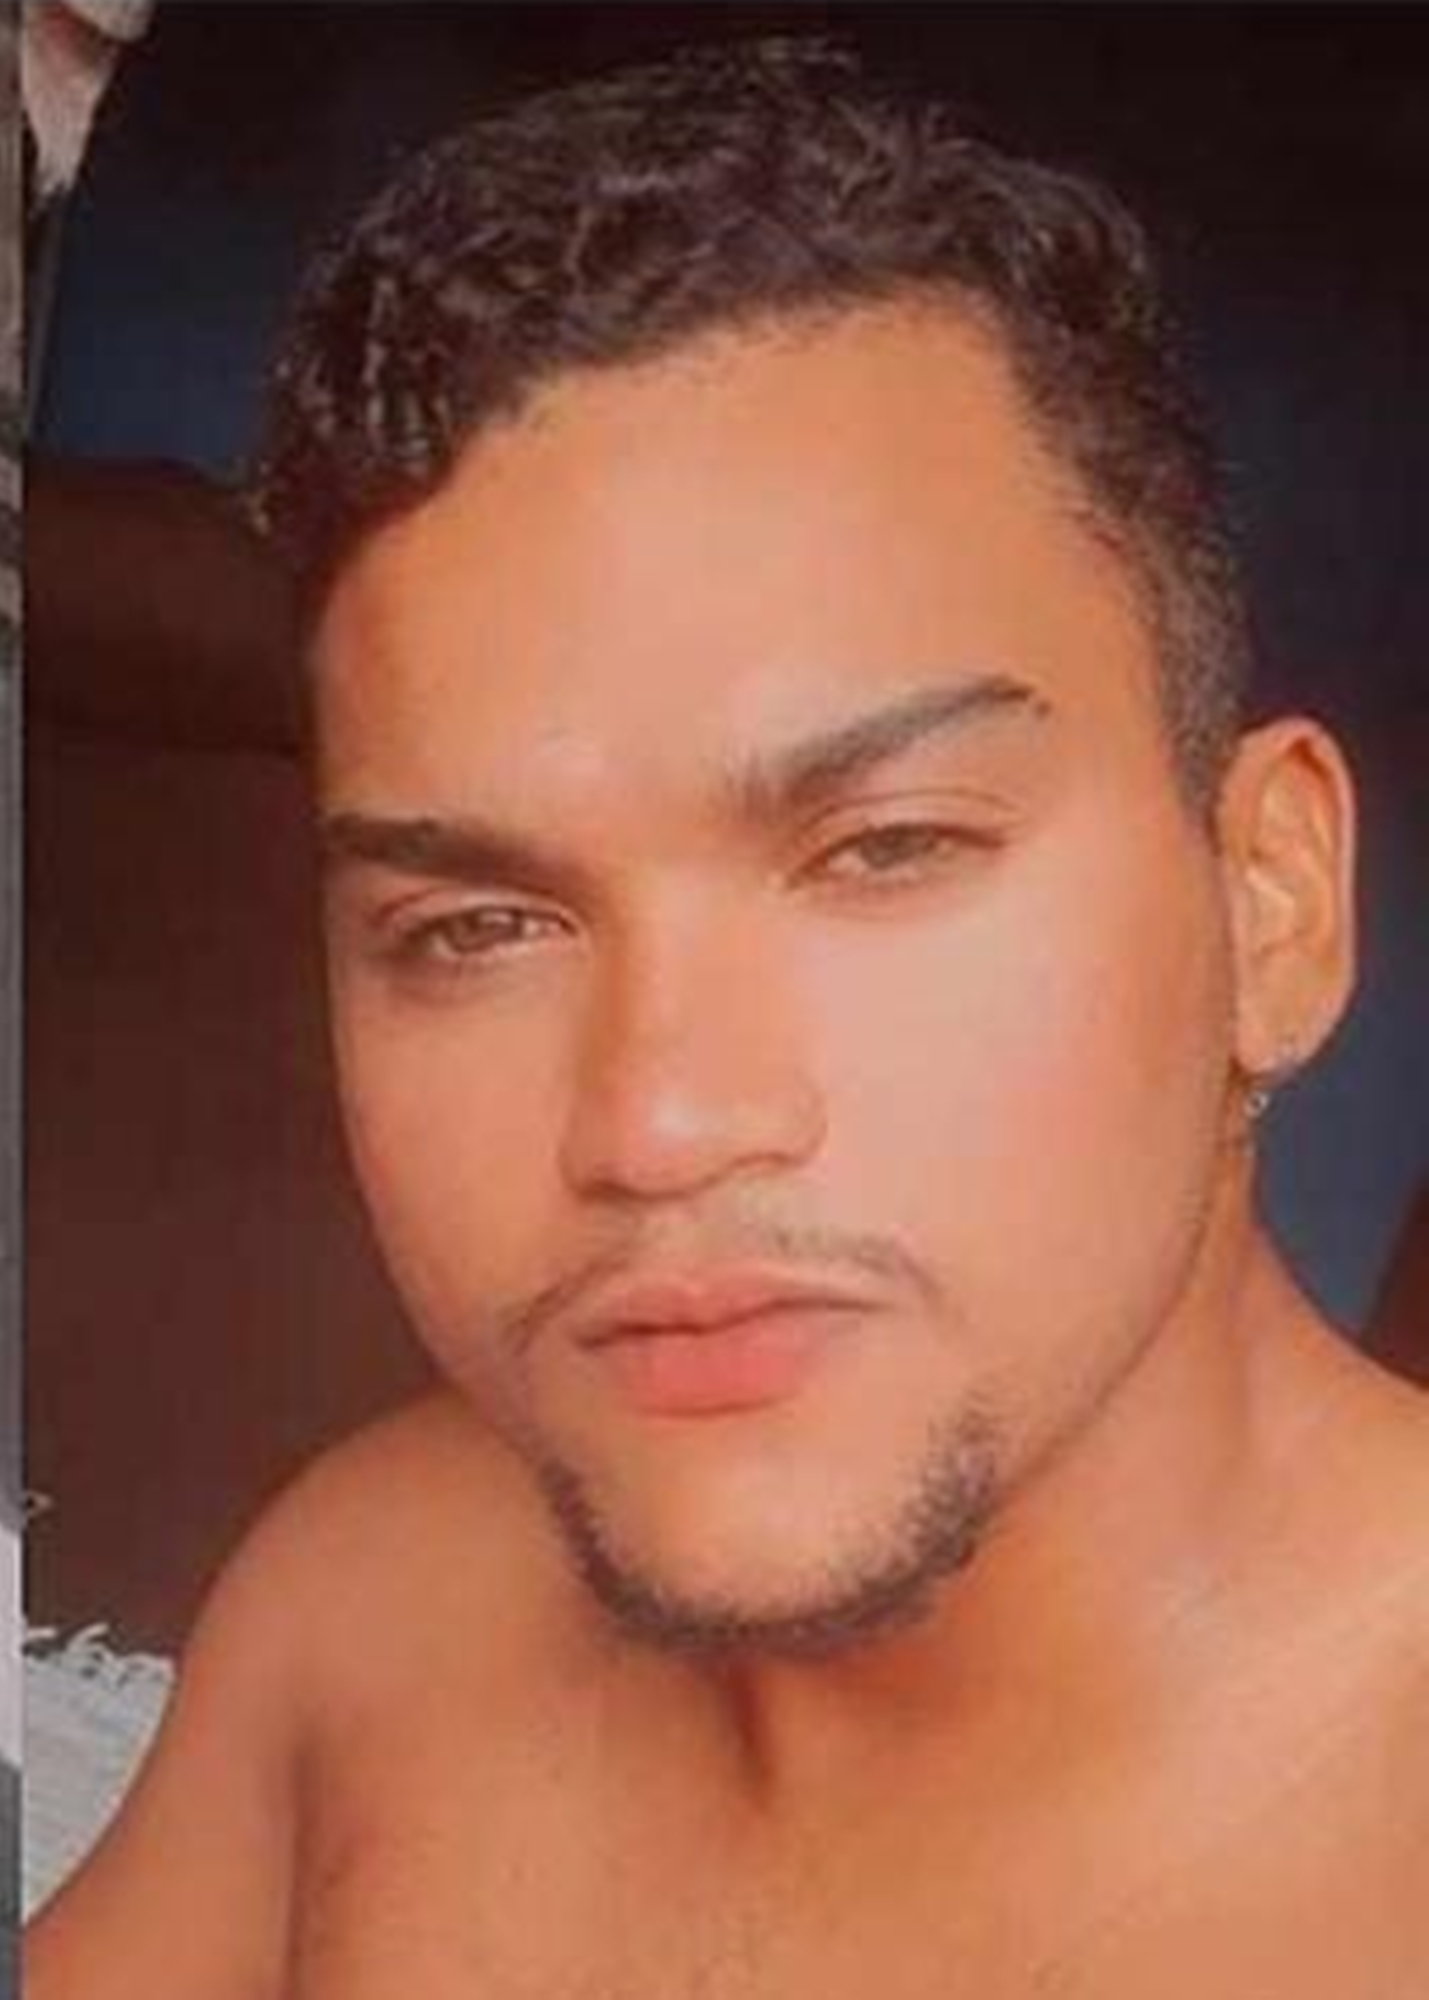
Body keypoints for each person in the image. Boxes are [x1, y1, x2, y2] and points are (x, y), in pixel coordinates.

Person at [27, 37, 1429, 1998]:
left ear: (1270, 902)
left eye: (885, 849)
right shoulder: (370, 1614)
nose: (658, 1119)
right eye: (477, 923)